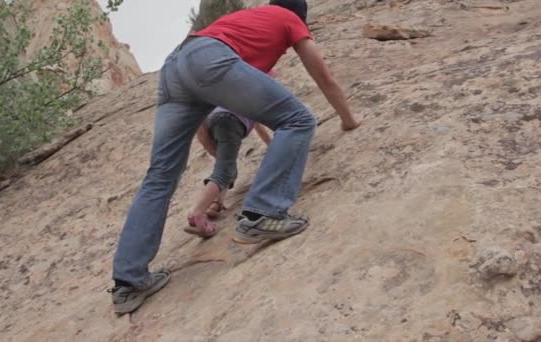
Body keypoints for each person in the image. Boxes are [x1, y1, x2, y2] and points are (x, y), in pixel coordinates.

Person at [109, 0, 363, 315]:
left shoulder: (247, 19)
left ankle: (128, 282)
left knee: (160, 175)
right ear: (302, 16)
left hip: (175, 66)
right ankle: (262, 214)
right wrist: (349, 120)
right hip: (208, 59)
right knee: (299, 119)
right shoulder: (289, 19)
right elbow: (324, 77)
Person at [185, 85, 273, 237]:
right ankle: (197, 214)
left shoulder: (232, 89)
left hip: (212, 121)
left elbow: (258, 125)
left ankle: (215, 204)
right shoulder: (255, 90)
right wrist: (273, 147)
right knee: (225, 172)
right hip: (230, 120)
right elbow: (263, 120)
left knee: (226, 166)